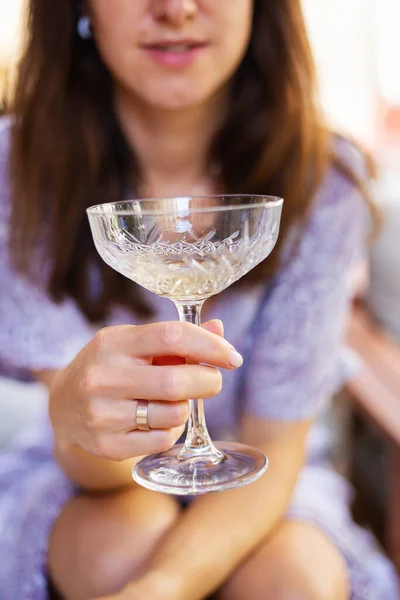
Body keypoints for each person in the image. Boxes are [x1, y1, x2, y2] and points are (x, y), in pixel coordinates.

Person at [0, 1, 398, 599]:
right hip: (86, 473)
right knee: (122, 545)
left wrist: (164, 588)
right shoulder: (15, 173)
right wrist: (74, 416)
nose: (177, 9)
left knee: (295, 583)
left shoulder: (324, 182)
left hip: (267, 471)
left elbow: (275, 442)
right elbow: (93, 453)